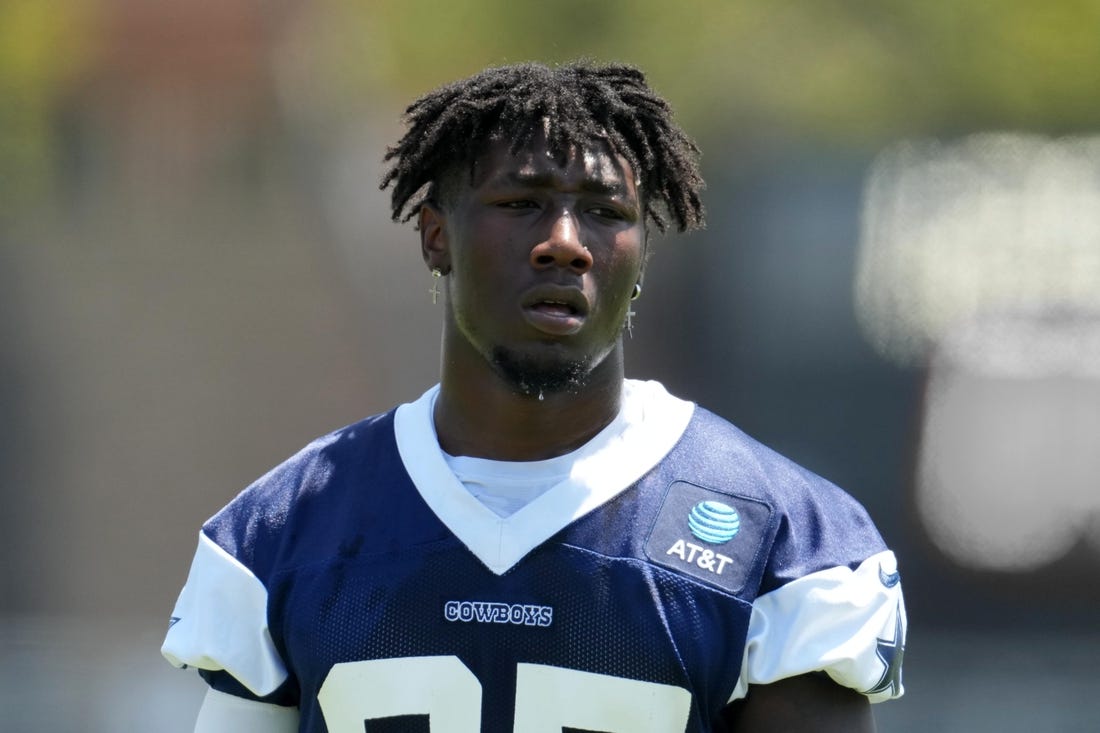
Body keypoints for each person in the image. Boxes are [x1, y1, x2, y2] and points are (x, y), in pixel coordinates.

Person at [162, 60, 906, 732]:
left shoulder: (782, 540)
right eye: (521, 202)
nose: (564, 240)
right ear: (434, 237)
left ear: (641, 253)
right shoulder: (288, 529)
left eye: (606, 211)